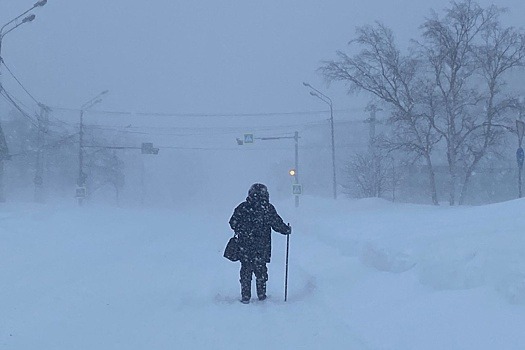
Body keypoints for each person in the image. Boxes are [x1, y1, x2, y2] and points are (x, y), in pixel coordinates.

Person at [229, 183, 291, 304]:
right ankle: (261, 294)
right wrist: (286, 229)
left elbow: (233, 222)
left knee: (246, 270)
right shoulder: (267, 208)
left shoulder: (243, 207)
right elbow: (277, 224)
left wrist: (242, 229)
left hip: (245, 245)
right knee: (261, 269)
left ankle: (245, 295)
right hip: (262, 246)